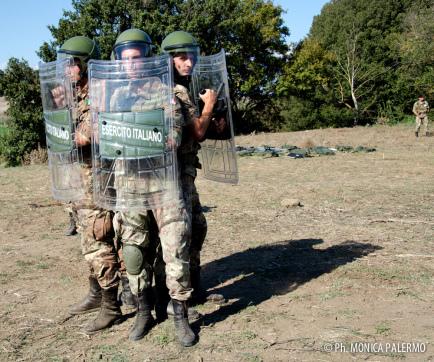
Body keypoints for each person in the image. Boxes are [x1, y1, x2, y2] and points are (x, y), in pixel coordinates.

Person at [105, 29, 196, 346]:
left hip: (164, 185)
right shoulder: (116, 97)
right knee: (133, 253)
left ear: (146, 59)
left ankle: (180, 315)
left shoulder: (165, 92)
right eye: (125, 59)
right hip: (130, 187)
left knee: (176, 250)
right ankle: (144, 311)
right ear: (119, 61)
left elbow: (172, 138)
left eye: (137, 58)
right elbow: (107, 138)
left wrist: (130, 134)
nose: (131, 64)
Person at [55, 36, 123, 334]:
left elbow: (84, 136)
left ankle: (112, 305)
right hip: (79, 182)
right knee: (87, 240)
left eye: (72, 63)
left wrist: (70, 133)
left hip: (98, 182)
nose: (67, 70)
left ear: (85, 64)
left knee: (98, 241)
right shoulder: (73, 94)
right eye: (65, 64)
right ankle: (96, 294)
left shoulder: (100, 92)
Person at [160, 31, 223, 306]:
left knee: (197, 227)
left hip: (187, 171)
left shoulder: (183, 87)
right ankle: (179, 298)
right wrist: (209, 105)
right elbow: (197, 131)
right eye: (182, 58)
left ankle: (195, 287)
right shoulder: (175, 91)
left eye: (192, 57)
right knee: (182, 234)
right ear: (169, 61)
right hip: (174, 174)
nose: (189, 63)